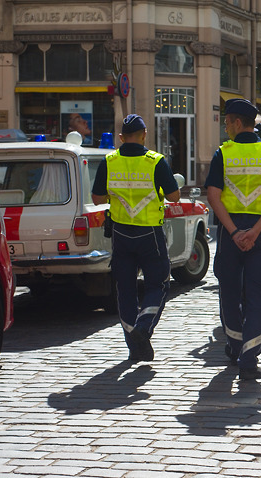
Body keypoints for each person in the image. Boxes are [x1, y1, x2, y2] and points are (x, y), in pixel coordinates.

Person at [204, 98, 261, 381]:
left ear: (238, 123)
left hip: (231, 234)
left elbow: (214, 197)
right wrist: (255, 231)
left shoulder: (223, 154)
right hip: (260, 231)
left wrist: (233, 232)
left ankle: (235, 344)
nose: (226, 127)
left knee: (229, 292)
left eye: (227, 122)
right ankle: (249, 359)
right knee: (256, 295)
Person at [91, 114, 180, 362]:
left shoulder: (109, 161)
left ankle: (134, 345)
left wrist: (118, 195)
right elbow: (173, 197)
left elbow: (97, 198)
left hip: (120, 233)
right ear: (144, 135)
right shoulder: (156, 162)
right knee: (159, 285)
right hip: (149, 233)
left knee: (126, 291)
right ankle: (144, 327)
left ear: (121, 138)